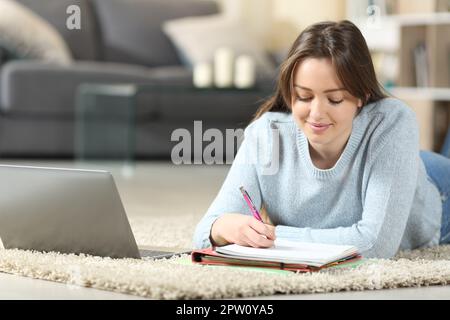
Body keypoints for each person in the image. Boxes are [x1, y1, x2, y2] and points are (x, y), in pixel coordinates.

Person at [193, 20, 450, 259]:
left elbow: (376, 244)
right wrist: (223, 227)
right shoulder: (265, 134)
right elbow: (204, 233)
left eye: (335, 99)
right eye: (304, 97)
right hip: (397, 164)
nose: (316, 114)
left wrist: (273, 235)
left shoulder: (392, 121)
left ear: (362, 96)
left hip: (437, 190)